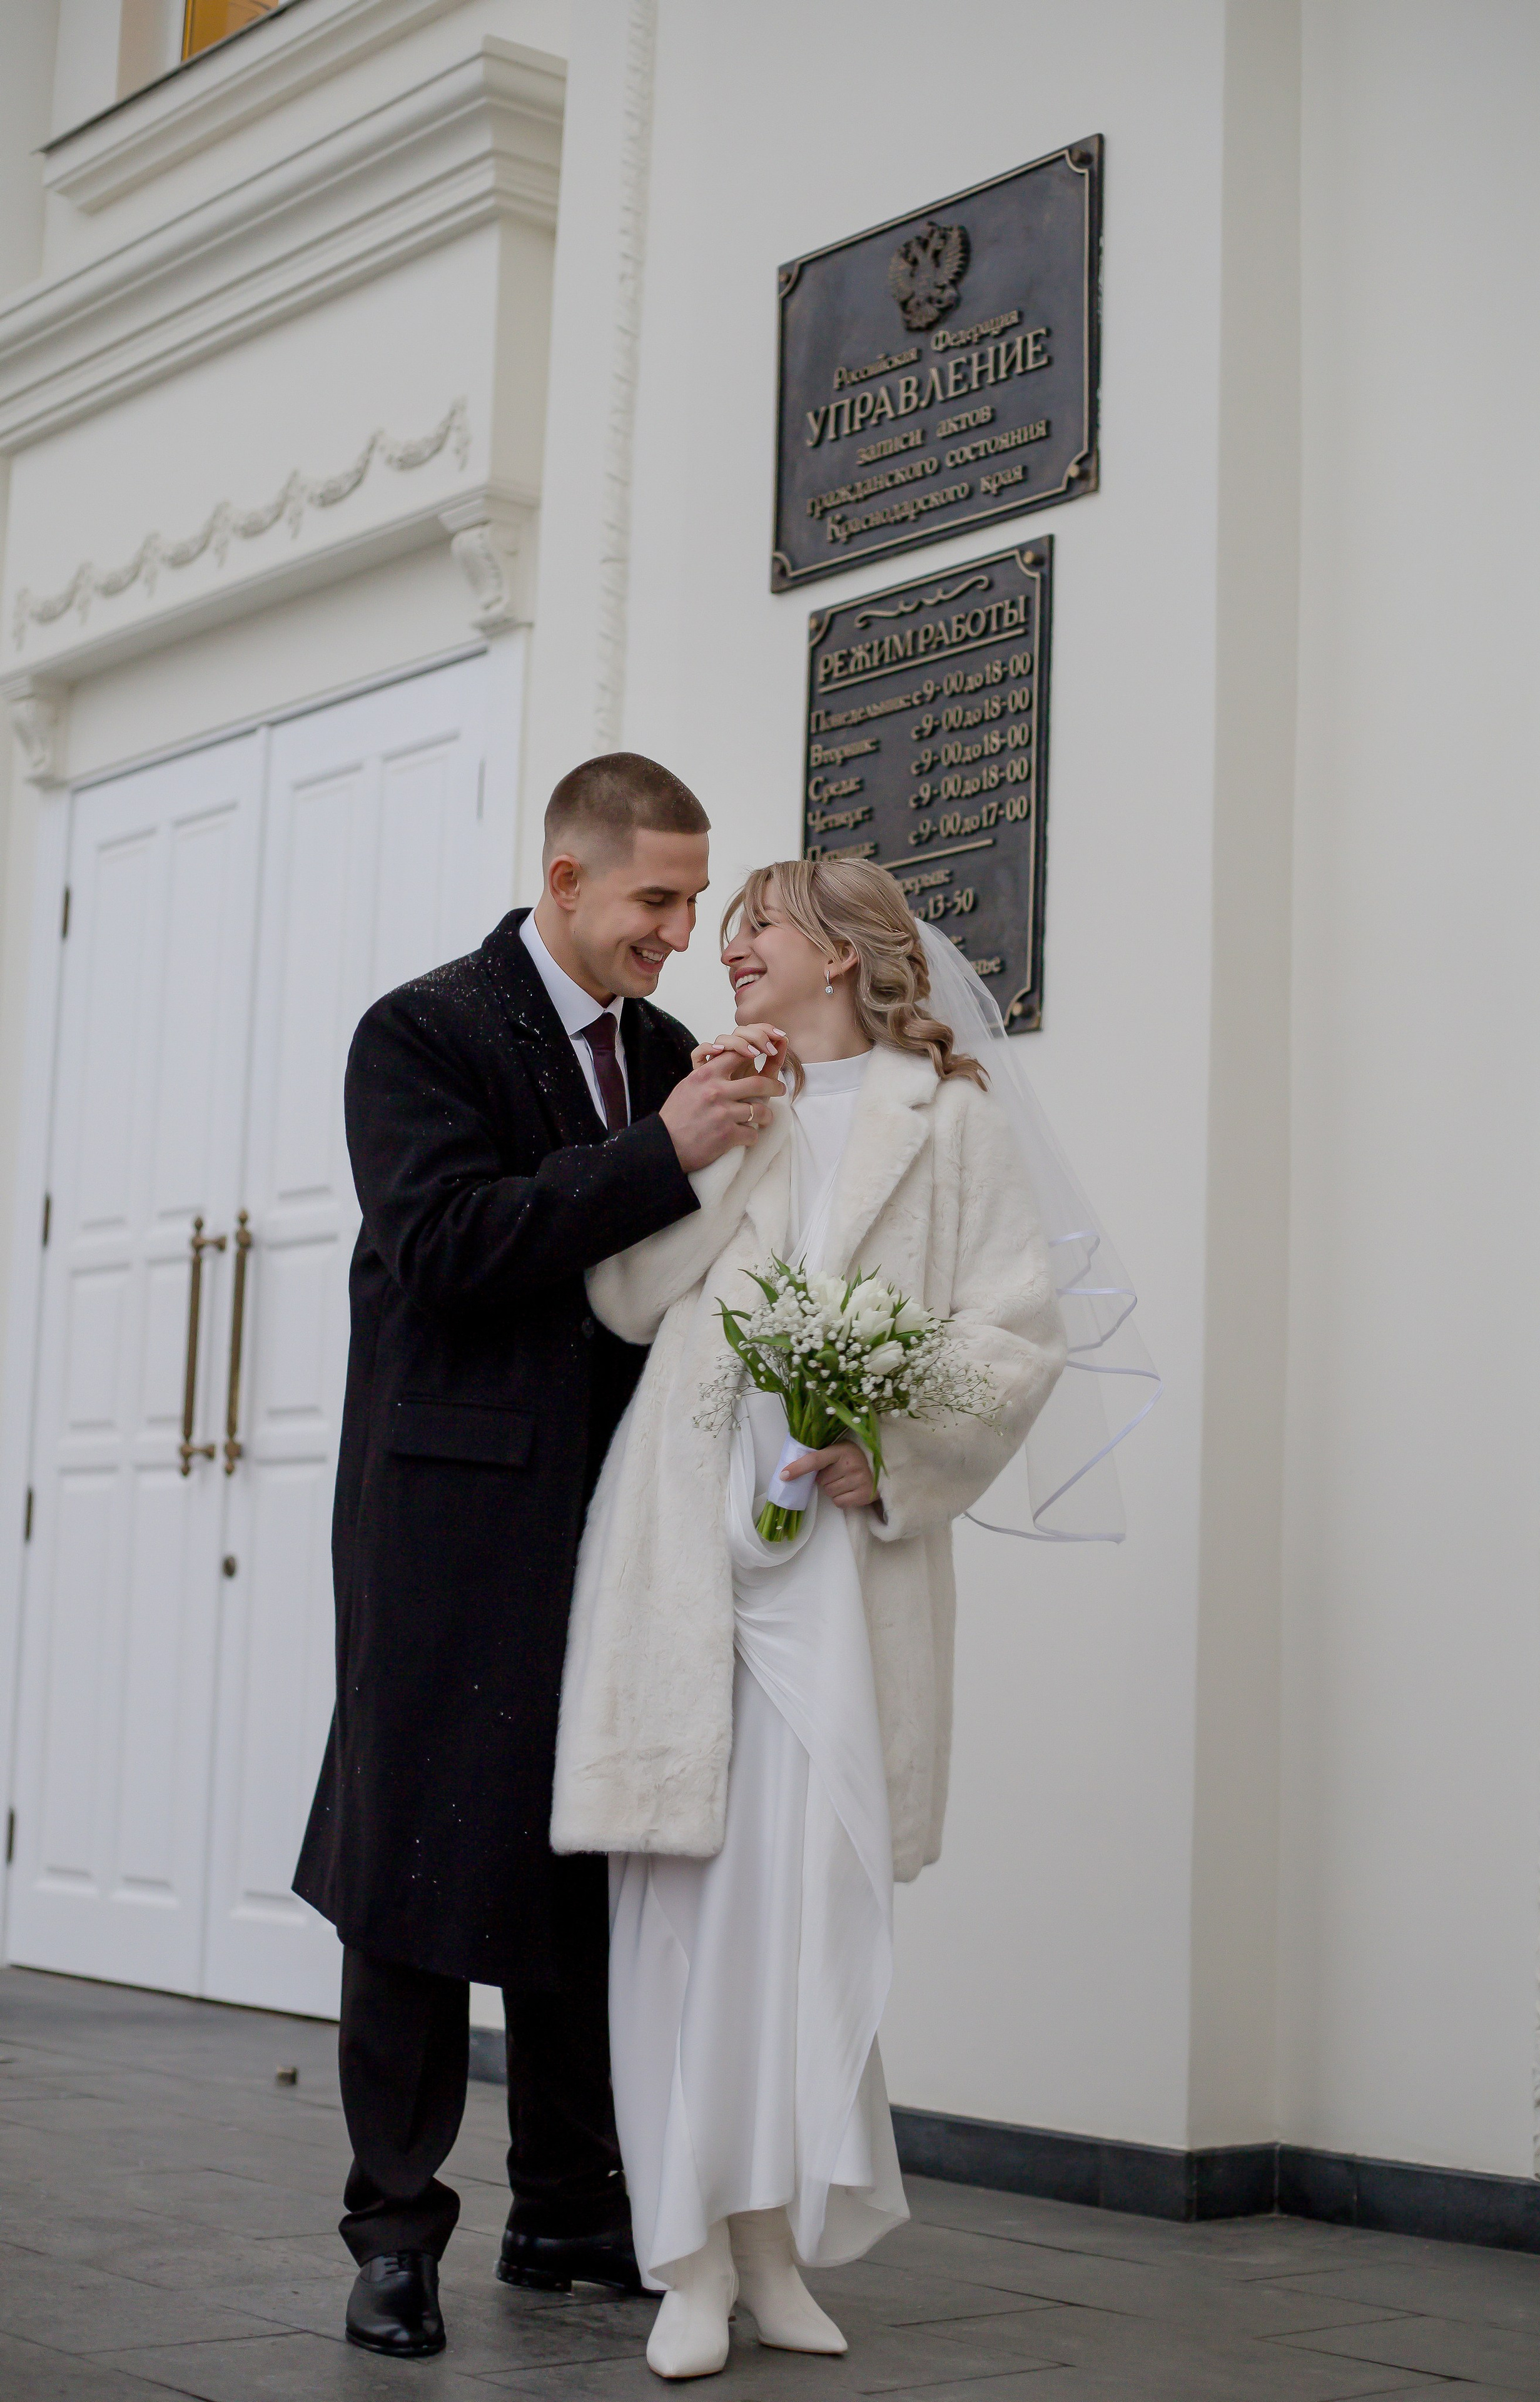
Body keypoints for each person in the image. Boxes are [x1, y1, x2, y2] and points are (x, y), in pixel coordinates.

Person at [551, 858, 1075, 2379]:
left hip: (838, 1569)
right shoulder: (729, 1106)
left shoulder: (950, 1121)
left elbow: (1012, 1334)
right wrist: (696, 1138)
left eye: (751, 932)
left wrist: (889, 1452)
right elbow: (632, 1300)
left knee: (808, 1897)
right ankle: (687, 2262)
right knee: (679, 1912)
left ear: (841, 952)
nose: (726, 956)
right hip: (684, 1560)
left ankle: (772, 2242)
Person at [292, 753, 786, 2361]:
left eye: (697, 900)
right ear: (565, 880)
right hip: (445, 1516)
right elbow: (447, 1245)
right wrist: (664, 1151)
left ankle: (572, 2208)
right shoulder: (418, 1032)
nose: (680, 931)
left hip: (623, 1515)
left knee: (594, 1852)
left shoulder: (661, 1050)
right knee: (415, 1870)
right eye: (656, 898)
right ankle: (393, 2233)